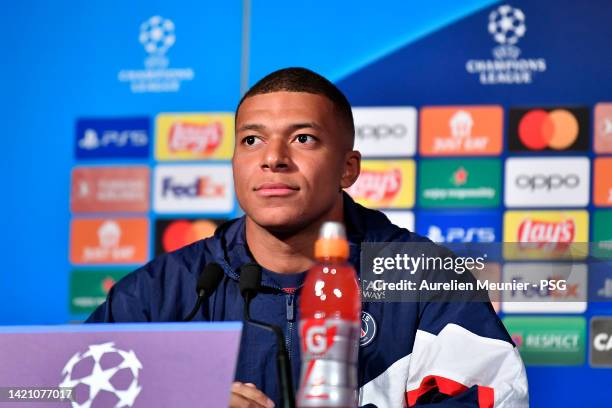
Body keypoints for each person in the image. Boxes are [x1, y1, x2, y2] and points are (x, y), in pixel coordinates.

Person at [87, 67, 528, 407]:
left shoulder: (425, 282)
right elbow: (57, 389)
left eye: (302, 138)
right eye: (252, 140)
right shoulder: (164, 291)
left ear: (348, 168)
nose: (273, 159)